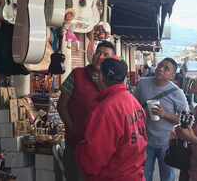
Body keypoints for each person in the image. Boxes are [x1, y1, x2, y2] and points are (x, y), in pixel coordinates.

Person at [76, 58, 147, 181]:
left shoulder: (106, 109)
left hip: (114, 176)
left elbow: (94, 158)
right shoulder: (133, 101)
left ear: (101, 77)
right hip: (135, 174)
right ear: (124, 78)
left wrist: (79, 150)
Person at [57, 40, 116, 181]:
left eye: (105, 55)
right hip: (76, 144)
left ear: (113, 60)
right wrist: (72, 129)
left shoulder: (114, 81)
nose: (100, 57)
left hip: (103, 148)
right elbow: (61, 106)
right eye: (98, 52)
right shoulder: (77, 74)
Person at [135, 57, 189, 181]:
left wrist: (164, 114)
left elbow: (185, 120)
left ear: (172, 75)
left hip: (167, 143)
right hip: (145, 140)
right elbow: (134, 105)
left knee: (167, 177)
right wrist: (140, 113)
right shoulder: (143, 84)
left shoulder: (177, 93)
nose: (161, 69)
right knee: (144, 175)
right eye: (160, 65)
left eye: (166, 69)